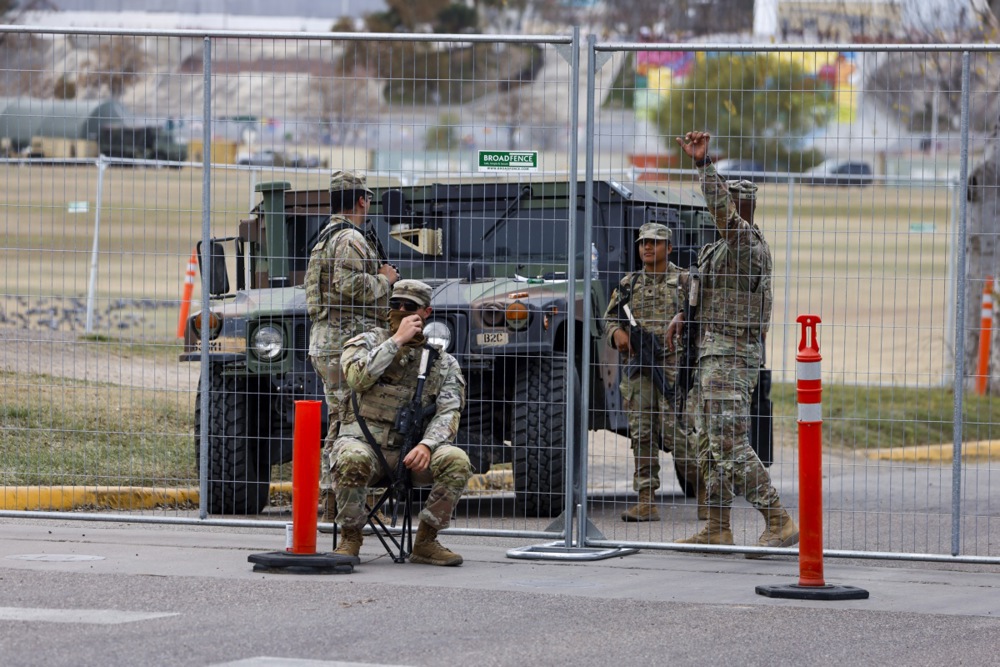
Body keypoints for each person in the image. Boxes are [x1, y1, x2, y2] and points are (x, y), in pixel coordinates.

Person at [672, 130, 798, 555]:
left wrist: (703, 166)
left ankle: (778, 519)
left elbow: (724, 216)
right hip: (712, 353)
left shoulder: (746, 246)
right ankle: (717, 525)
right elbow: (706, 291)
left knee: (729, 443)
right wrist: (684, 313)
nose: (727, 210)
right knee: (709, 445)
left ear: (746, 209)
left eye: (733, 204)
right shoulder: (719, 251)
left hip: (731, 356)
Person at [330, 279, 472, 566]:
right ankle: (350, 537)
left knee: (456, 460)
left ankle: (426, 540)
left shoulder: (443, 363)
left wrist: (427, 445)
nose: (402, 311)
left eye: (411, 307)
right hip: (365, 446)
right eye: (396, 305)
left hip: (412, 454)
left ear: (426, 313)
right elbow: (356, 379)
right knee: (351, 457)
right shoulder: (368, 342)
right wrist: (395, 342)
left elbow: (449, 412)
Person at [304, 170, 400, 524]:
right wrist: (385, 280)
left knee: (341, 420)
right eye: (368, 198)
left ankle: (334, 502)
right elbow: (348, 284)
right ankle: (354, 509)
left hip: (331, 343)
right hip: (346, 345)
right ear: (361, 200)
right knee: (357, 422)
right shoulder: (349, 238)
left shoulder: (326, 236)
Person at [603, 222, 701, 522]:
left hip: (673, 369)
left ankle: (706, 490)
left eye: (654, 242)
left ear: (668, 248)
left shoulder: (684, 281)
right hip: (639, 371)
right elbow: (609, 318)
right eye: (643, 242)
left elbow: (702, 316)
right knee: (642, 434)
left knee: (678, 435)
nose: (647, 247)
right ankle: (646, 501)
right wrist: (616, 334)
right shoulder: (629, 284)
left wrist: (685, 321)